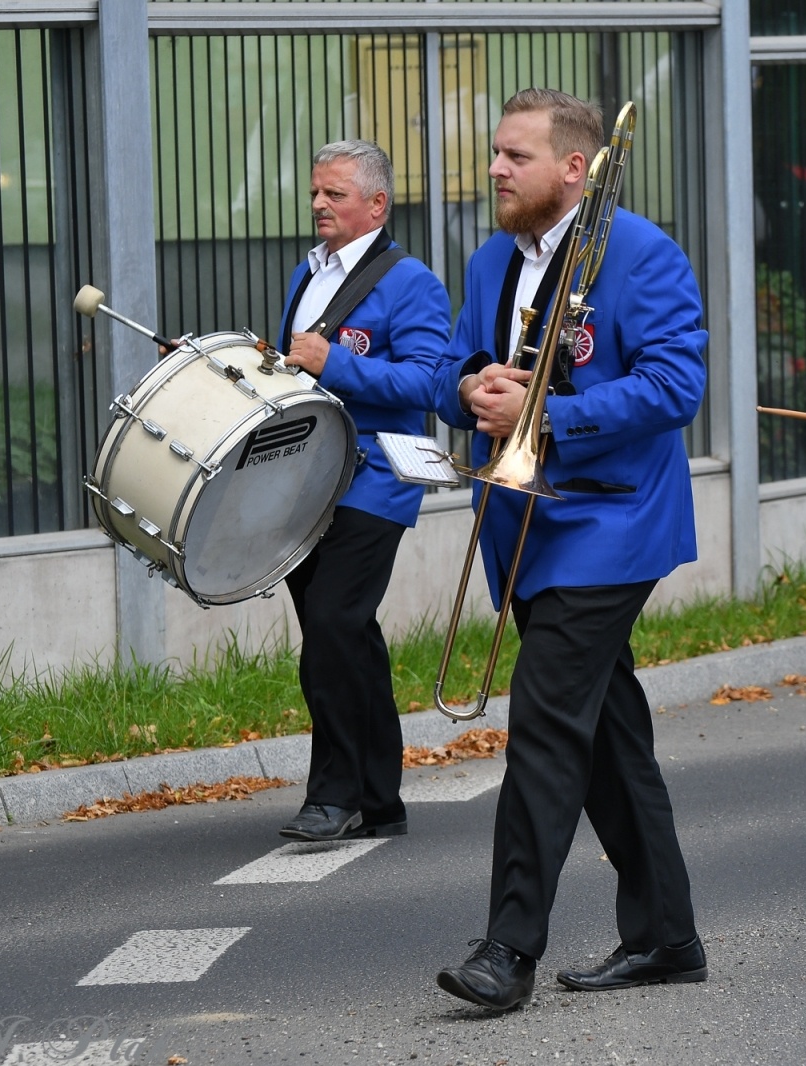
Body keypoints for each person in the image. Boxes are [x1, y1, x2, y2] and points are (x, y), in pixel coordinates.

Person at [431, 89, 709, 1010]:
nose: (496, 169)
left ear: (575, 169)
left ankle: (508, 951)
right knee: (608, 741)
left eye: (516, 156)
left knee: (546, 726)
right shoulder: (490, 261)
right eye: (496, 154)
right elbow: (455, 365)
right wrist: (474, 385)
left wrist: (546, 412)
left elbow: (677, 386)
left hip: (612, 526)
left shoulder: (644, 252)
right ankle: (668, 936)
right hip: (530, 529)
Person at [275, 141, 452, 841]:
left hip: (376, 477)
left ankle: (335, 795)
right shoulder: (305, 273)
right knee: (346, 634)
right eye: (317, 192)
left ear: (376, 205)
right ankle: (381, 800)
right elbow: (298, 372)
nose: (319, 204)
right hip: (309, 477)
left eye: (335, 195)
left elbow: (428, 385)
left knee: (333, 625)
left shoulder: (412, 284)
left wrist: (336, 361)